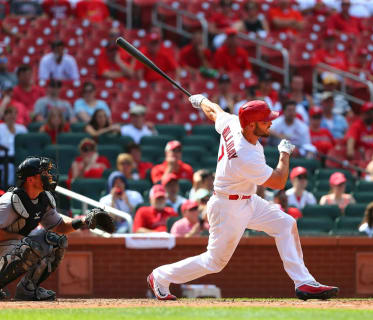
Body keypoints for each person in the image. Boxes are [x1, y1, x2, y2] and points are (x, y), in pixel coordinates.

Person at [147, 95, 338, 301]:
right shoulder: (244, 154)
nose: (271, 123)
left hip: (247, 199)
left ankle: (303, 283)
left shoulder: (234, 122)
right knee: (214, 262)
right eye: (265, 121)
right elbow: (278, 182)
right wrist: (284, 154)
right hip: (228, 207)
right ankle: (160, 276)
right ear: (251, 125)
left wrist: (201, 100)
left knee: (285, 224)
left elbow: (215, 112)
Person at [0, 157, 109, 300]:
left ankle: (28, 290)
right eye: (43, 173)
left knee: (56, 241)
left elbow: (60, 227)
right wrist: (19, 238)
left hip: (11, 246)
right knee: (29, 247)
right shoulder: (9, 201)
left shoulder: (43, 199)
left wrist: (84, 221)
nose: (49, 175)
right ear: (30, 179)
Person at [0, 105, 27, 186]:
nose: (12, 115)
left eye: (15, 113)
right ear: (4, 115)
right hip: (4, 158)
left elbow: (27, 143)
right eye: (9, 113)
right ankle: (9, 188)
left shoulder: (22, 128)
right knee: (10, 167)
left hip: (20, 157)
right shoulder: (0, 127)